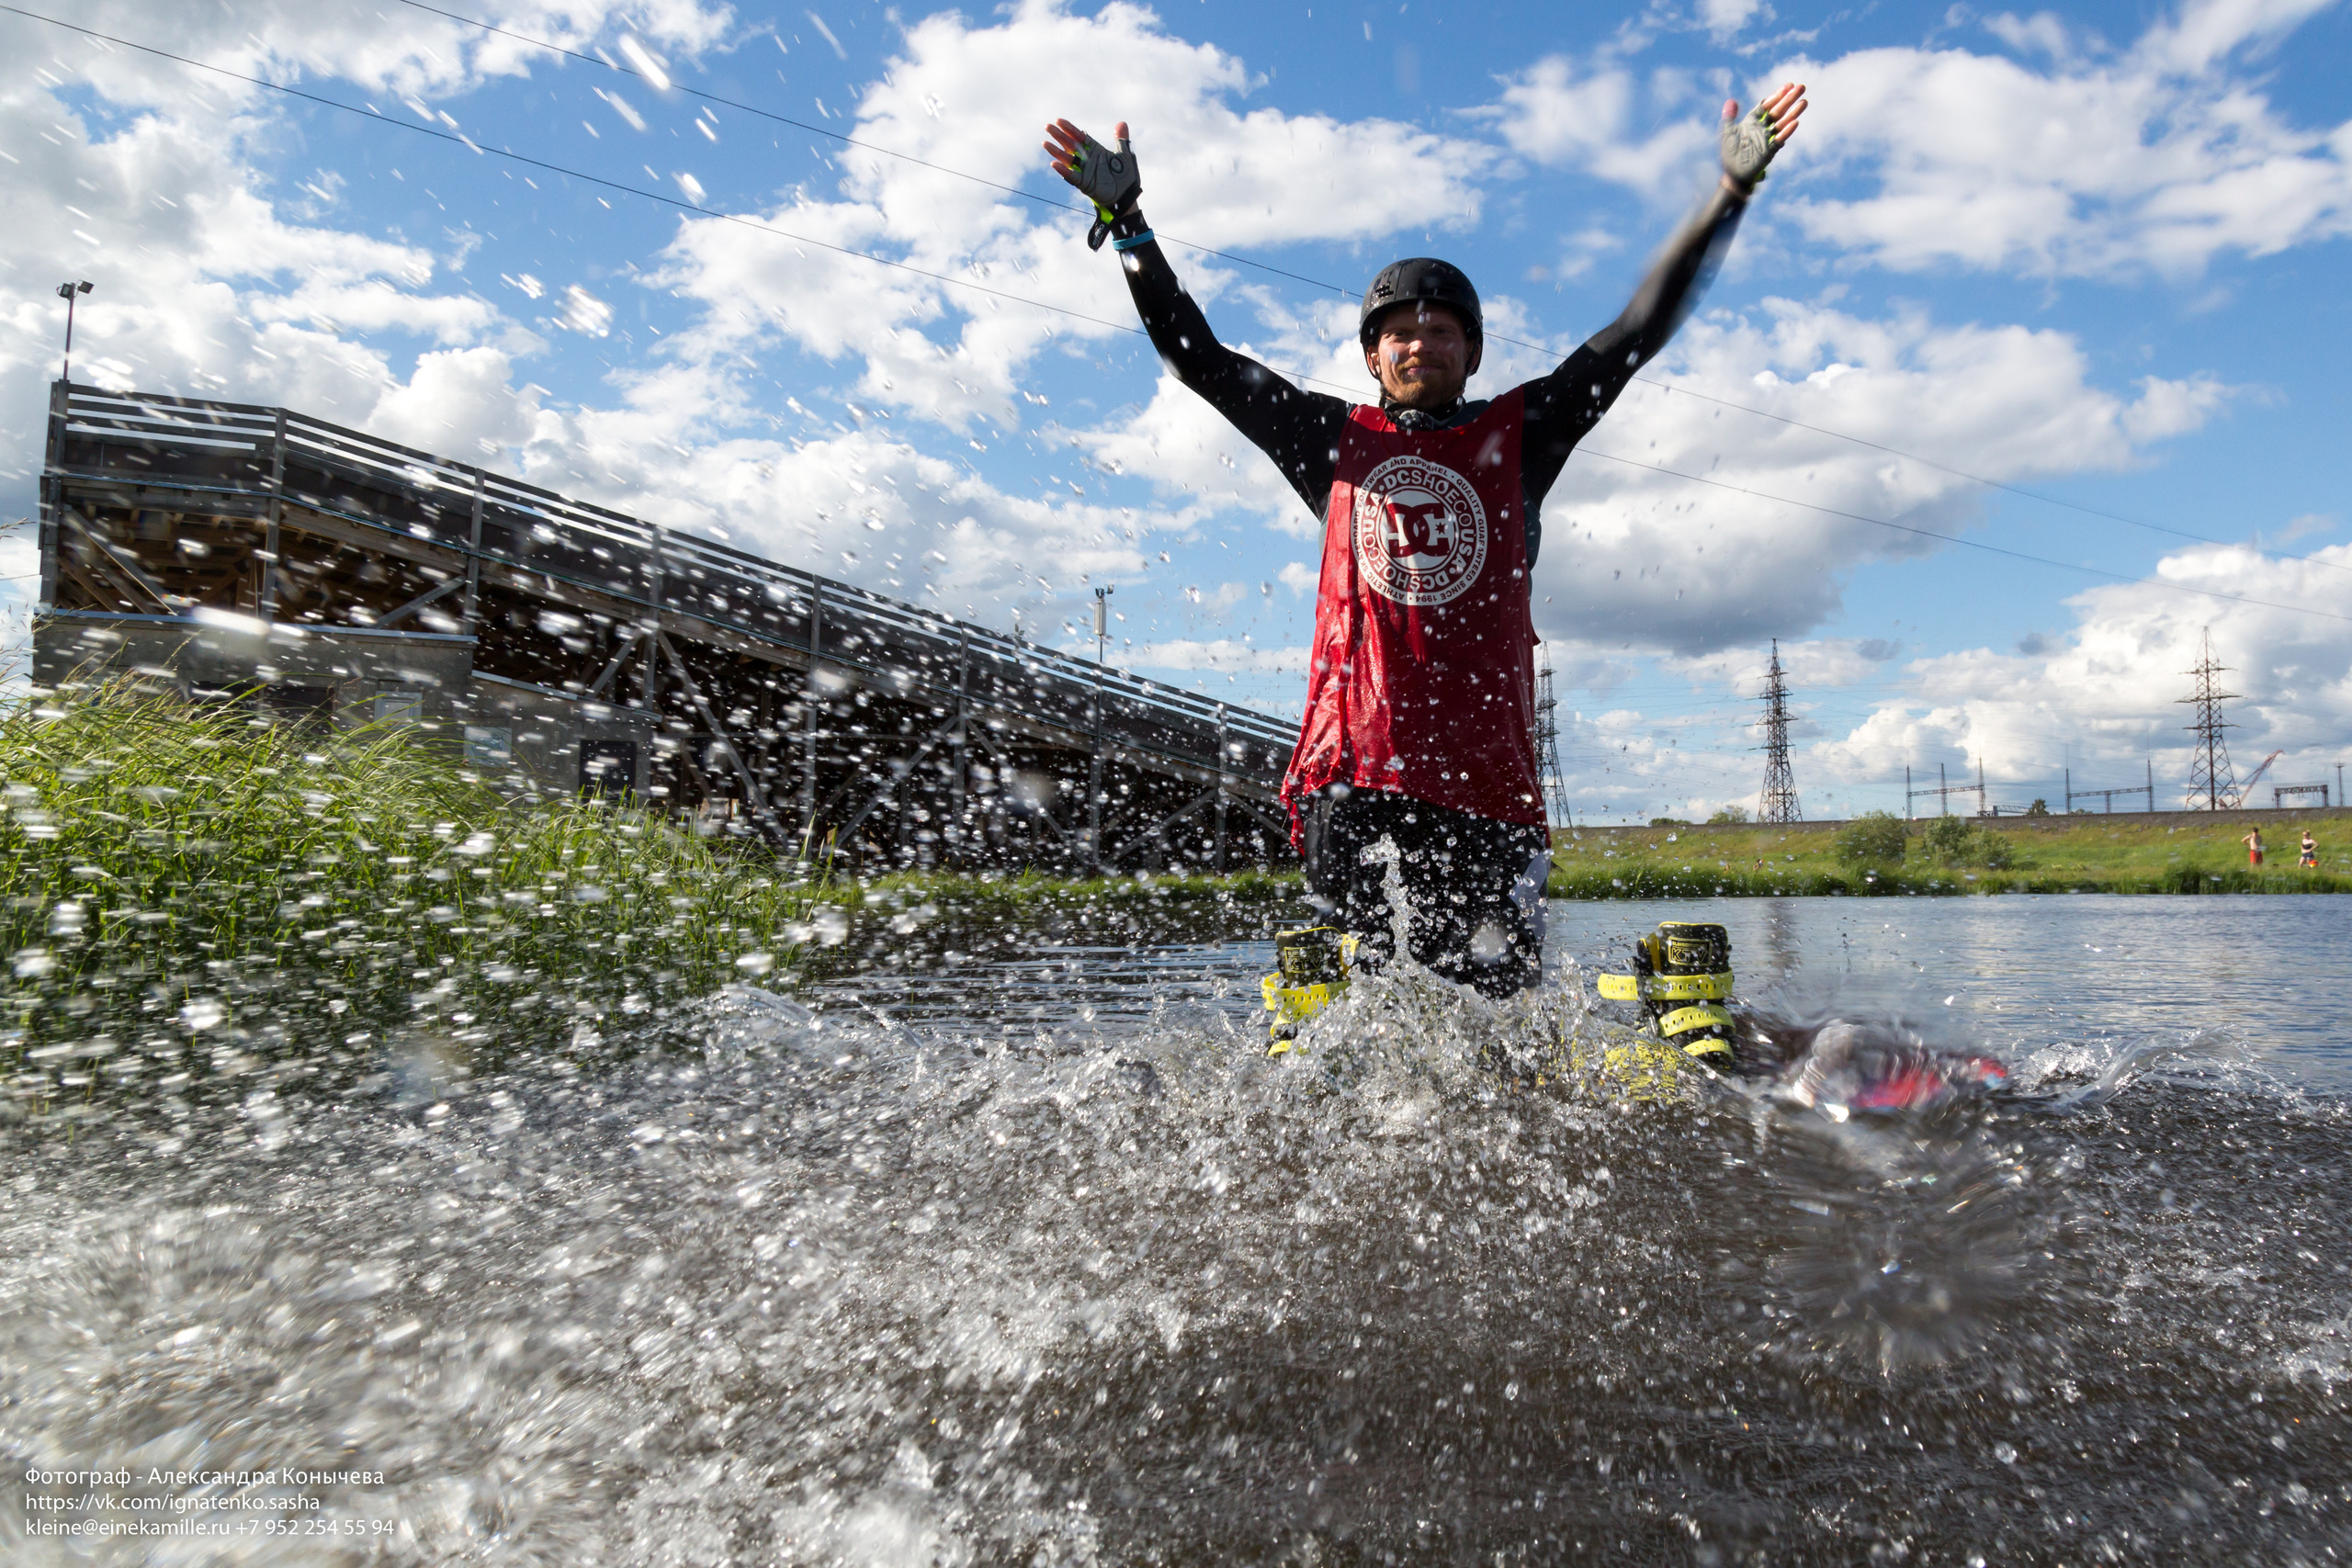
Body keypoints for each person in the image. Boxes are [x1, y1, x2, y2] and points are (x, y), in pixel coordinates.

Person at [1044, 85, 1807, 997]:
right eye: (1397, 333)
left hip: (1485, 785)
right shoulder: (1328, 440)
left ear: (1471, 353)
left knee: (1494, 1012)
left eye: (1440, 331)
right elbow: (1196, 358)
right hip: (1350, 775)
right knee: (1356, 1004)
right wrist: (1128, 225)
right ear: (1372, 357)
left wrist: (1728, 192)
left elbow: (1634, 335)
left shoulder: (1523, 435)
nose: (1418, 345)